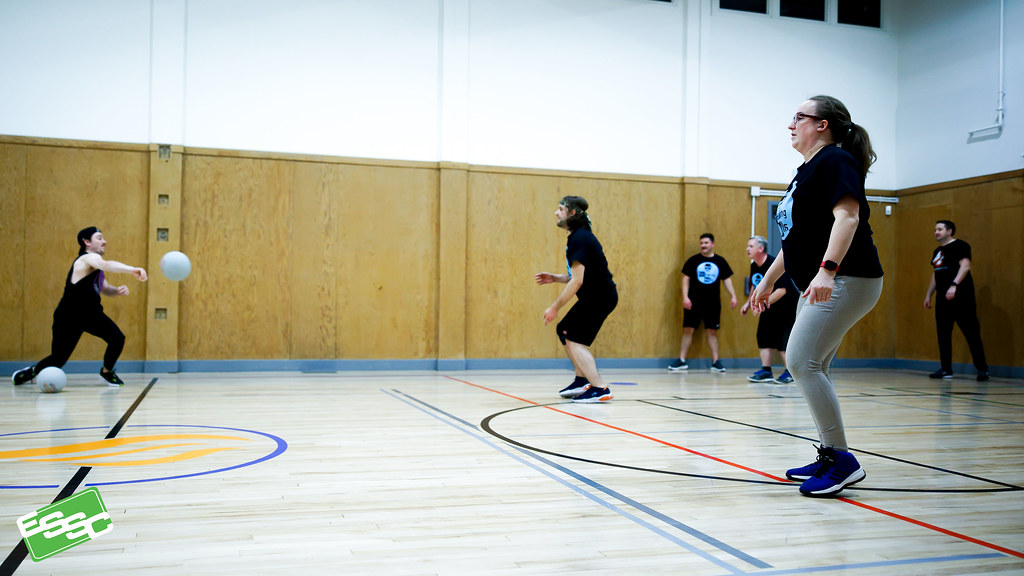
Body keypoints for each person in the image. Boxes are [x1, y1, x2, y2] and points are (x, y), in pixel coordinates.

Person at [750, 95, 884, 497]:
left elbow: (849, 217)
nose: (791, 124)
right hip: (821, 280)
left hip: (848, 278)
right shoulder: (805, 171)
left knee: (800, 361)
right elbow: (796, 240)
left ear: (822, 124)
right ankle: (830, 453)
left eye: (799, 117)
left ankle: (842, 460)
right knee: (813, 366)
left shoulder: (836, 161)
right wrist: (767, 280)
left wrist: (828, 270)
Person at [12, 227, 148, 388]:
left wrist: (117, 290)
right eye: (99, 238)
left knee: (117, 338)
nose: (104, 241)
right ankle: (33, 371)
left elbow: (105, 288)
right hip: (69, 316)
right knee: (58, 359)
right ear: (87, 242)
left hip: (91, 315)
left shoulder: (96, 268)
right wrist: (132, 269)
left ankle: (106, 371)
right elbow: (106, 264)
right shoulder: (85, 259)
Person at [535, 196, 618, 403]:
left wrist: (554, 307)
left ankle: (599, 388)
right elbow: (577, 276)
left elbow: (578, 281)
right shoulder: (578, 237)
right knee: (564, 330)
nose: (556, 212)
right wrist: (555, 278)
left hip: (599, 297)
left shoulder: (580, 238)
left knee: (574, 338)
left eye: (561, 209)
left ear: (572, 213)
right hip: (595, 295)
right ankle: (582, 380)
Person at [923, 220, 989, 381]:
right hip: (942, 301)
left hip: (962, 299)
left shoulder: (961, 246)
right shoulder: (937, 251)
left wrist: (954, 285)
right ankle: (946, 369)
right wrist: (929, 294)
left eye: (940, 229)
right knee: (943, 335)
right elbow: (936, 273)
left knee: (971, 333)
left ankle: (982, 369)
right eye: (935, 229)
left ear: (949, 231)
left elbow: (965, 266)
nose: (936, 232)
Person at [668, 233, 737, 373]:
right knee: (688, 329)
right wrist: (685, 297)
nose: (703, 245)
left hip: (712, 304)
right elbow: (685, 279)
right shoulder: (693, 261)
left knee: (712, 331)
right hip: (693, 303)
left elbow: (727, 279)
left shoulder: (720, 261)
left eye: (706, 243)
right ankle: (682, 360)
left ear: (713, 244)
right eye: (701, 243)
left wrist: (733, 296)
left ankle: (716, 361)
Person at [740, 236, 796, 384]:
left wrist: (760, 304)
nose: (747, 249)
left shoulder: (773, 264)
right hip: (767, 306)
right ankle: (766, 371)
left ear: (761, 249)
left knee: (782, 341)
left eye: (750, 246)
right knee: (763, 336)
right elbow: (755, 286)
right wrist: (748, 303)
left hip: (786, 307)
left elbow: (781, 291)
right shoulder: (754, 266)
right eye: (747, 246)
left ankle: (790, 372)